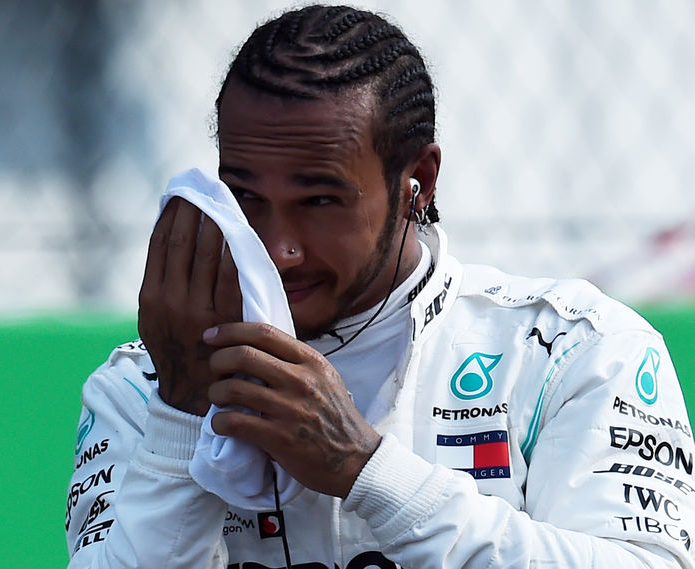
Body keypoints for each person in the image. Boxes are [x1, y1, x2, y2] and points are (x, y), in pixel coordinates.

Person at [65, 5, 695, 568]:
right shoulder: (142, 386)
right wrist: (181, 416)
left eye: (319, 199)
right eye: (247, 198)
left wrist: (366, 470)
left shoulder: (573, 351)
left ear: (417, 181)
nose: (279, 248)